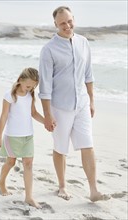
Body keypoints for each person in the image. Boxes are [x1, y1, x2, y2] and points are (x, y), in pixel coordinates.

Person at [38, 6, 111, 202]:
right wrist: (47, 114)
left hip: (82, 104)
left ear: (73, 19)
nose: (67, 25)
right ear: (55, 24)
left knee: (88, 144)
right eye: (62, 23)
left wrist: (92, 100)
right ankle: (62, 186)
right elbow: (44, 87)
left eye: (70, 21)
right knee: (61, 148)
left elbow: (88, 74)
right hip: (59, 107)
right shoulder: (48, 50)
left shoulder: (84, 42)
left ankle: (94, 190)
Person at [0, 67, 44, 209]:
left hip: (28, 136)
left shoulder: (30, 95)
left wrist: (46, 121)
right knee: (10, 162)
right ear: (20, 80)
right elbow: (3, 116)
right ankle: (1, 182)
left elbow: (33, 113)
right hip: (12, 136)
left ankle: (29, 197)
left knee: (28, 164)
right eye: (28, 86)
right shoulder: (10, 95)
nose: (30, 89)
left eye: (33, 87)